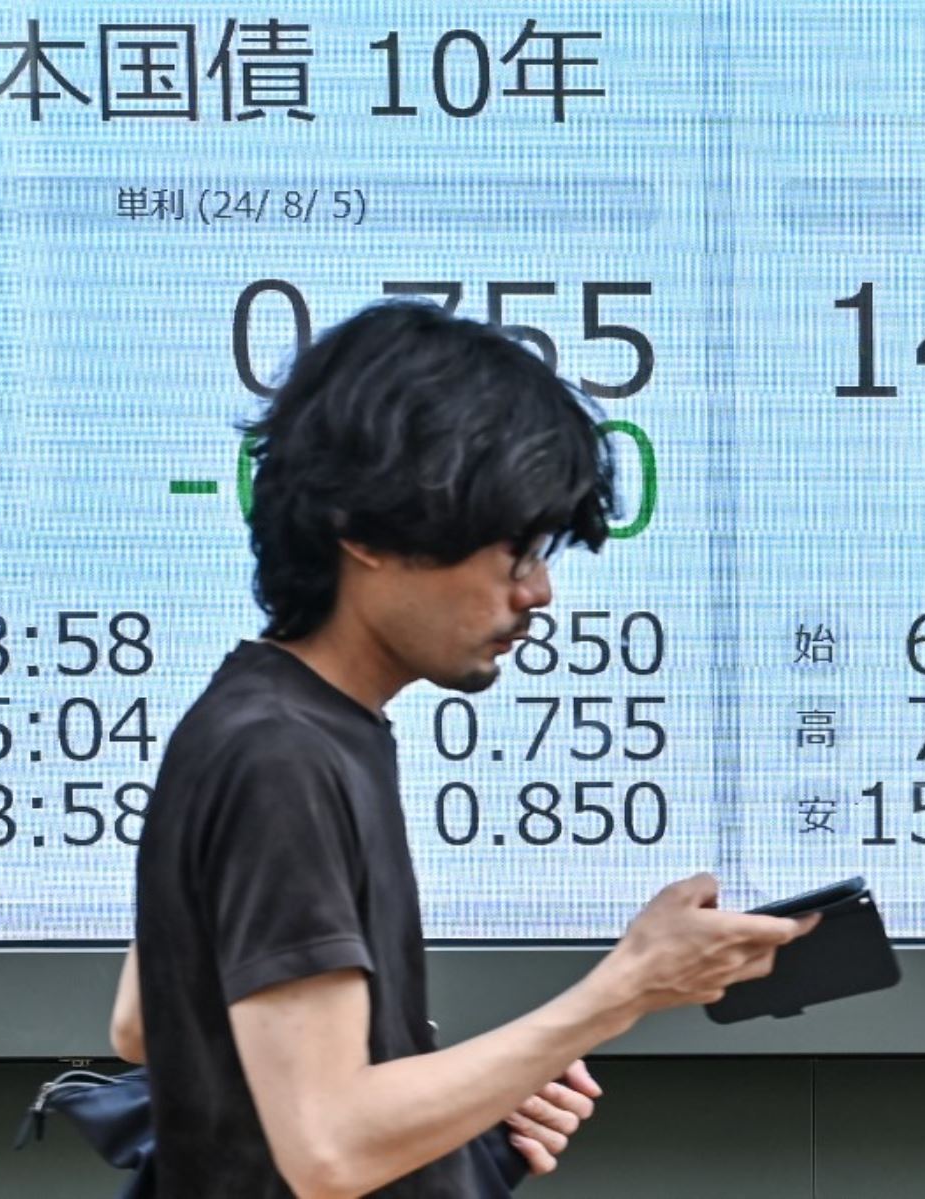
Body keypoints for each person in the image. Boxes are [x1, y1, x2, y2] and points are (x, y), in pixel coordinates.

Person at [109, 301, 815, 1197]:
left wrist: (470, 1094)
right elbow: (329, 1148)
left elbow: (148, 1021)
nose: (540, 592)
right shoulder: (283, 757)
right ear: (363, 530)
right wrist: (624, 988)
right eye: (512, 552)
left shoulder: (260, 719)